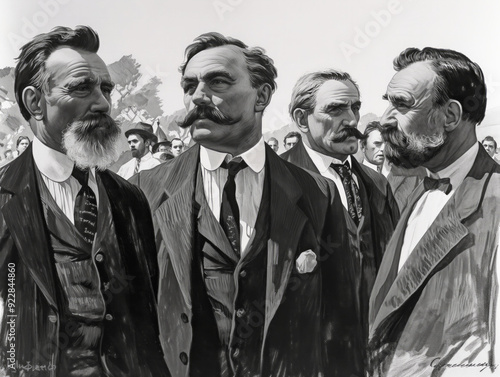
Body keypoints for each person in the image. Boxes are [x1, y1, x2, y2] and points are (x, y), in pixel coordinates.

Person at [132, 32, 341, 377]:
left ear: (261, 96)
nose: (198, 97)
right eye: (189, 86)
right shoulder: (145, 190)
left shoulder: (318, 193)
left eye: (217, 82)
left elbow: (341, 322)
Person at [0, 26, 168, 376]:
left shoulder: (129, 199)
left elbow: (146, 320)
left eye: (106, 88)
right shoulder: (4, 197)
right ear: (35, 102)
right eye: (81, 88)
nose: (103, 103)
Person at [369, 47, 500, 377]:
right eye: (388, 102)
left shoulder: (495, 202)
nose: (384, 118)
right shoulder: (415, 190)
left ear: (451, 116)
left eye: (401, 104)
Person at [281, 69, 399, 375]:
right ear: (301, 119)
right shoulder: (275, 181)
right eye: (335, 109)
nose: (350, 120)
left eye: (355, 108)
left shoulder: (376, 184)